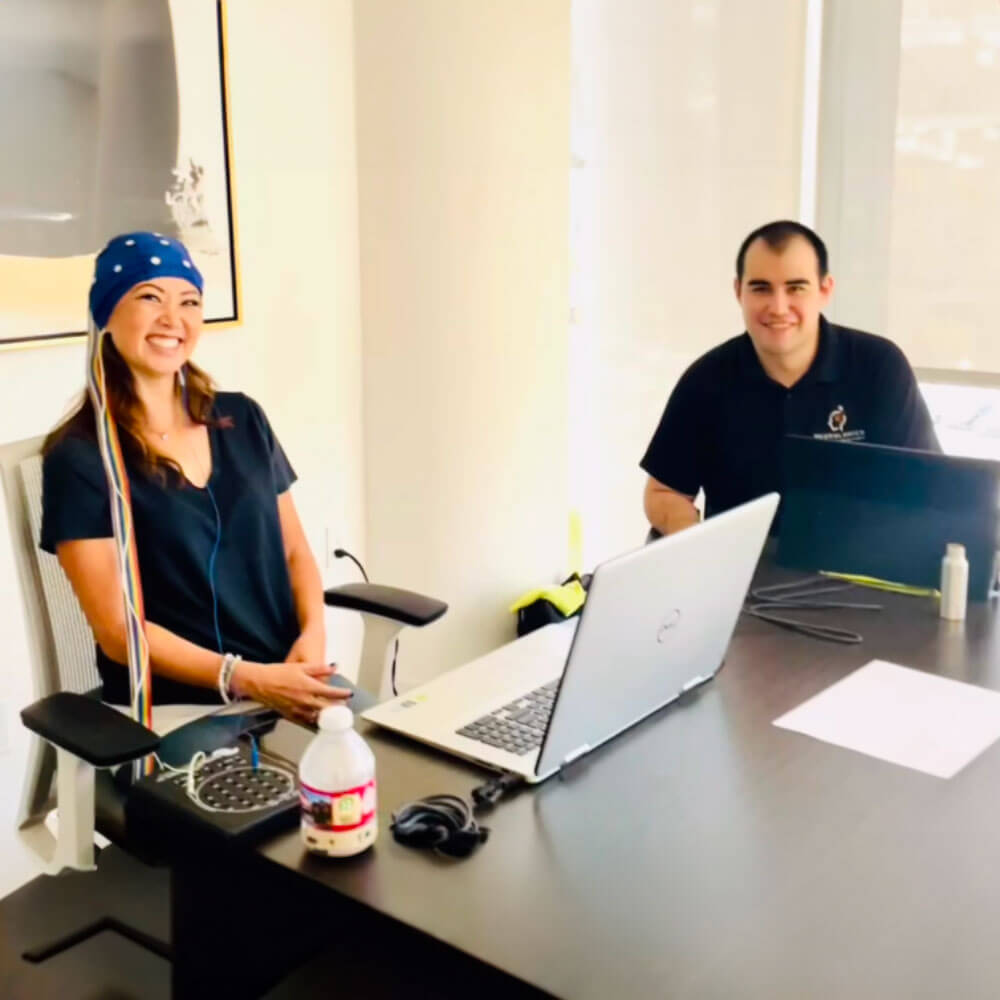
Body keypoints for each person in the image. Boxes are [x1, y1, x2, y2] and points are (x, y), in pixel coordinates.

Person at [41, 231, 349, 724]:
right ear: (106, 313)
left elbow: (295, 553)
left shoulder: (243, 418)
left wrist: (312, 641)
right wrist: (243, 677)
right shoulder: (80, 457)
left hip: (288, 683)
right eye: (149, 297)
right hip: (177, 709)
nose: (173, 319)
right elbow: (119, 631)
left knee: (407, 778)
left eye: (190, 301)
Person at [640, 220, 939, 537]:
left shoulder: (880, 367)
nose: (778, 307)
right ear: (738, 291)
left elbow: (928, 487)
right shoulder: (706, 381)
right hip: (743, 577)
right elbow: (663, 493)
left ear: (825, 291)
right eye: (761, 288)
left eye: (796, 288)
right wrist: (692, 539)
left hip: (857, 572)